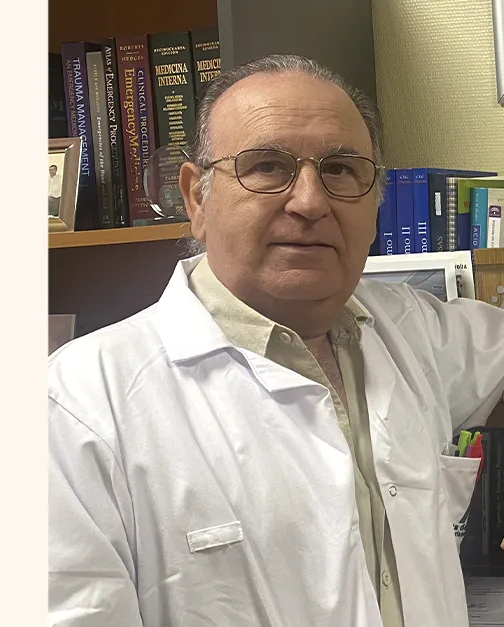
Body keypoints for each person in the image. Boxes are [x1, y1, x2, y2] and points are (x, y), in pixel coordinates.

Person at [47, 54, 504, 627]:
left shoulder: (412, 330)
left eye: (341, 170)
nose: (310, 201)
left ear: (375, 201)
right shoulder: (77, 407)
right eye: (266, 166)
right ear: (196, 199)